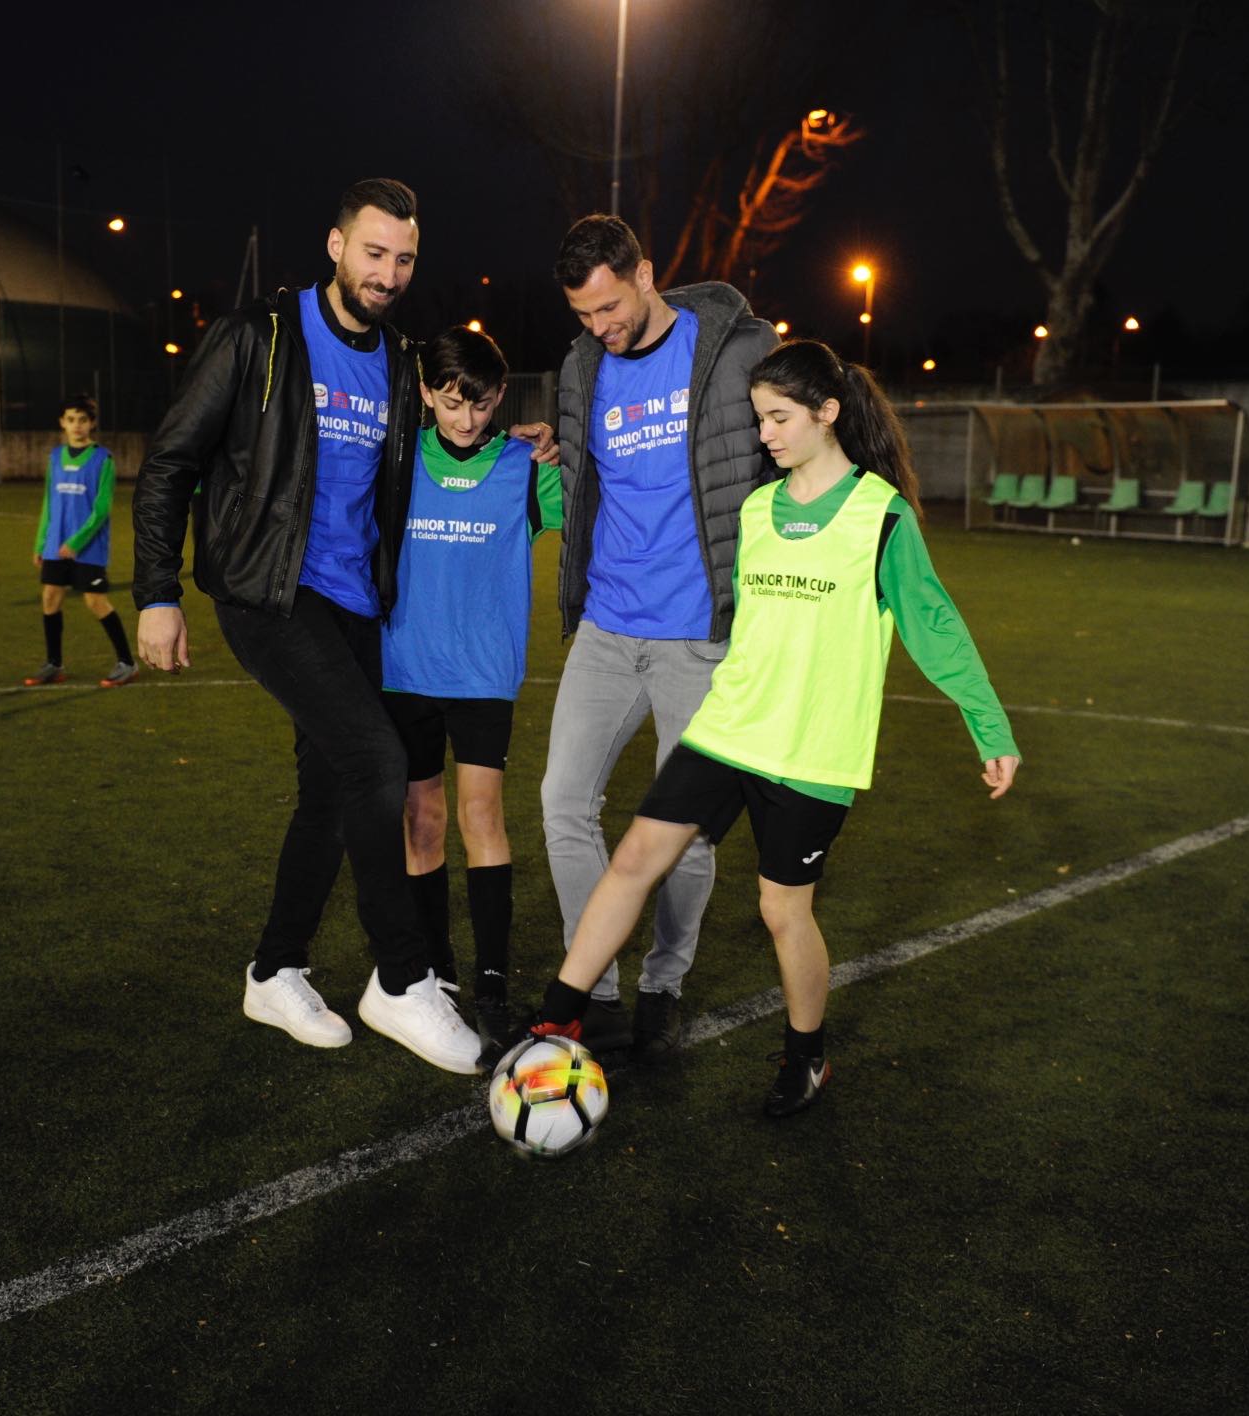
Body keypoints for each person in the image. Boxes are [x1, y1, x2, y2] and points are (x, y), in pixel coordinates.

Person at [517, 338, 1021, 1116]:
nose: (765, 435)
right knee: (634, 859)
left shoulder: (879, 517)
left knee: (783, 910)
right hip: (729, 727)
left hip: (813, 748)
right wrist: (554, 487)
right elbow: (642, 524)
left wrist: (990, 726)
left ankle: (807, 1055)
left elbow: (935, 626)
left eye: (779, 418)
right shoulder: (756, 509)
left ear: (828, 414)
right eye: (758, 420)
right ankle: (560, 1011)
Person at [131, 179, 551, 1075]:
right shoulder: (261, 337)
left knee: (330, 789)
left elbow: (447, 433)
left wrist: (523, 443)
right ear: (334, 245)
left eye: (403, 259)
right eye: (373, 252)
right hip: (268, 591)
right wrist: (158, 591)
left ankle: (274, 971)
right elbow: (171, 459)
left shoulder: (401, 361)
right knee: (377, 761)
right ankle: (400, 980)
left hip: (359, 604)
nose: (388, 273)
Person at [542, 214, 778, 1061]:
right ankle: (596, 986)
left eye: (609, 306)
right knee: (564, 806)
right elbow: (579, 466)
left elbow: (795, 443)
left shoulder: (738, 350)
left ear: (645, 272)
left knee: (684, 834)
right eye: (583, 315)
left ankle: (663, 984)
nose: (600, 328)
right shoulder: (578, 368)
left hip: (698, 638)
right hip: (607, 627)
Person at [379, 326, 563, 1063]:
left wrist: (561, 445)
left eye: (481, 404)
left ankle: (490, 983)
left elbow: (587, 514)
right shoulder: (394, 462)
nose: (466, 419)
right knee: (421, 819)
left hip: (484, 673)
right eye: (452, 403)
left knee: (481, 813)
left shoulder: (524, 465)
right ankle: (434, 972)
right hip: (403, 668)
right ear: (425, 393)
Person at [24, 394, 137, 688]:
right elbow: (49, 502)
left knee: (95, 601)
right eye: (71, 420)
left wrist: (77, 541)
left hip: (89, 547)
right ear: (62, 422)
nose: (77, 426)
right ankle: (54, 664)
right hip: (55, 544)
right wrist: (41, 544)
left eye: (83, 420)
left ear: (92, 424)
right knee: (50, 598)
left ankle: (127, 662)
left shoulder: (103, 458)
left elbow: (102, 508)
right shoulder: (54, 457)